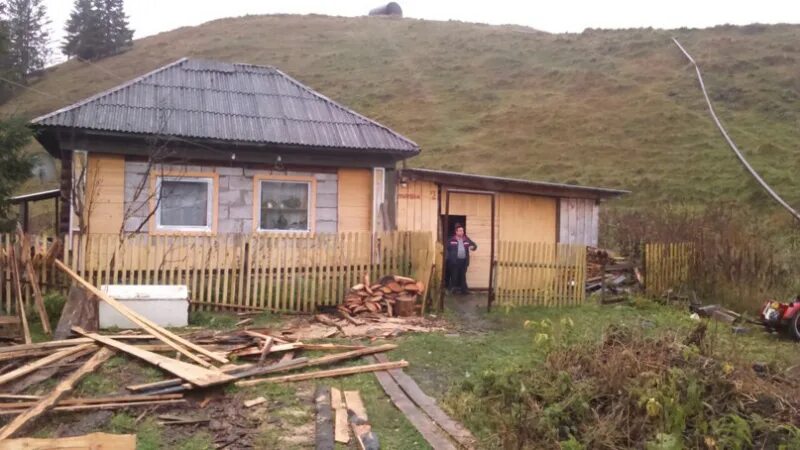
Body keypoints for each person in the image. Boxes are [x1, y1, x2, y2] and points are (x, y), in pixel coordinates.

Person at [446, 223, 477, 294]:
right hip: (454, 261)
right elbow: (446, 249)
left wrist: (473, 247)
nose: (462, 232)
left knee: (463, 276)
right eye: (460, 231)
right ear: (456, 232)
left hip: (464, 261)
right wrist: (448, 258)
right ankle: (452, 290)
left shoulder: (466, 239)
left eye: (462, 231)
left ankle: (464, 290)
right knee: (454, 276)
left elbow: (474, 245)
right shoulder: (451, 240)